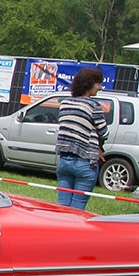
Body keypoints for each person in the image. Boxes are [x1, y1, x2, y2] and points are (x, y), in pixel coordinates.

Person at [52, 67, 108, 210]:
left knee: (62, 207)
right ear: (90, 84)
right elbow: (104, 133)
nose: (100, 88)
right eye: (98, 84)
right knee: (77, 209)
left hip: (64, 161)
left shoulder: (65, 103)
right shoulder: (93, 105)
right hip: (85, 162)